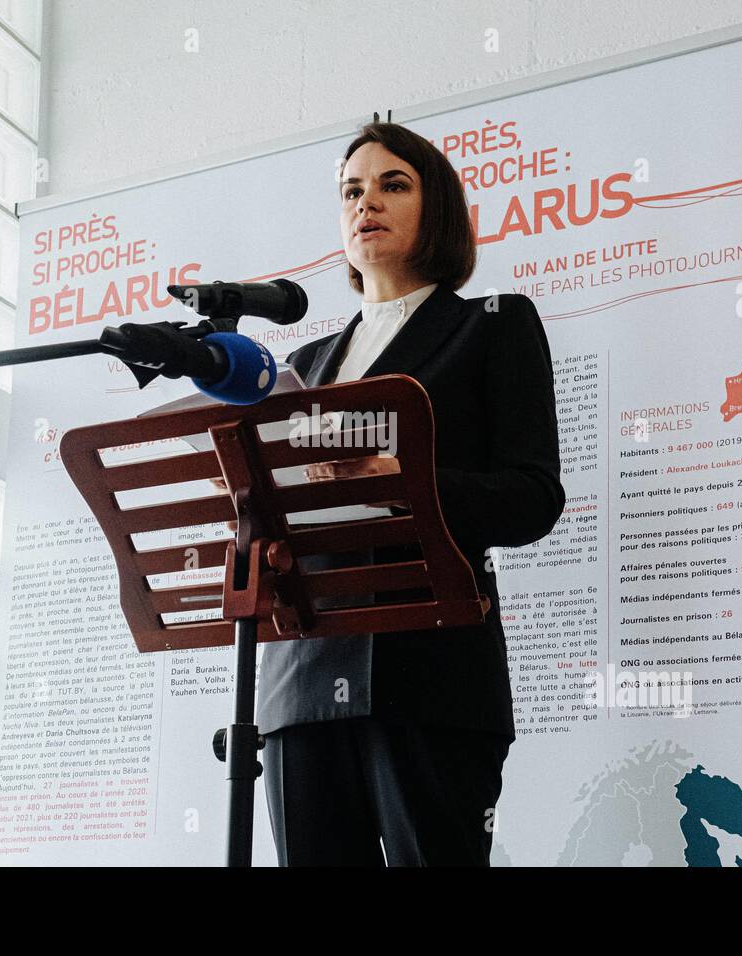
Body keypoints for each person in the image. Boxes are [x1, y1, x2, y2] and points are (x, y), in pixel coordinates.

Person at [255, 122, 566, 866]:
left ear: (440, 211)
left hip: (431, 672)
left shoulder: (492, 327)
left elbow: (531, 498)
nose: (368, 202)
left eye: (393, 184)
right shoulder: (303, 364)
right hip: (300, 675)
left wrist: (390, 481)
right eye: (352, 191)